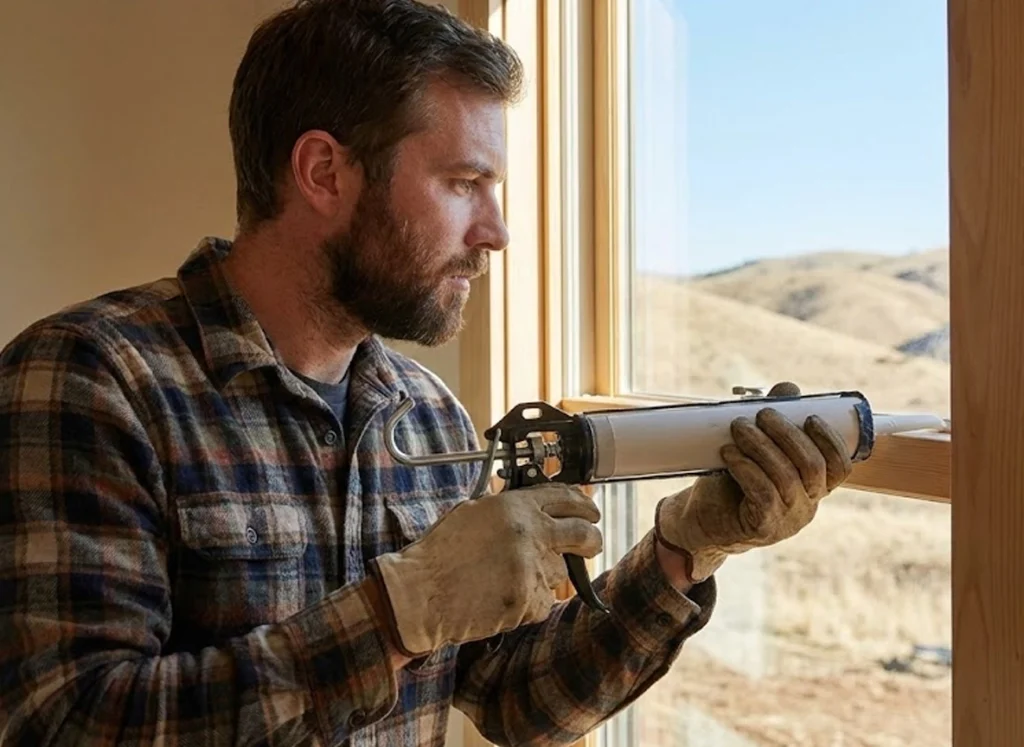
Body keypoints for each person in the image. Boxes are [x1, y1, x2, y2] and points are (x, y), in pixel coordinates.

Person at [0, 1, 854, 744]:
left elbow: (521, 699)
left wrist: (684, 550)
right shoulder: (88, 381)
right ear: (324, 173)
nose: (496, 231)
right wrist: (395, 616)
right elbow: (65, 722)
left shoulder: (427, 416)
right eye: (463, 182)